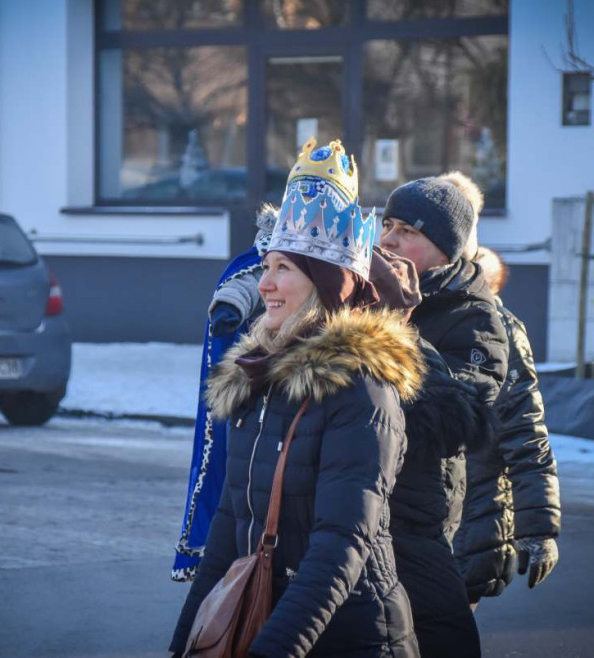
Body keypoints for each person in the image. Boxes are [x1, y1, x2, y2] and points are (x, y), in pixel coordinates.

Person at [170, 138, 422, 657]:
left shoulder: (362, 388)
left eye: (283, 268)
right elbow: (226, 534)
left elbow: (339, 548)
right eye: (267, 267)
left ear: (325, 285)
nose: (264, 284)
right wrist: (182, 645)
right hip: (265, 619)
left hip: (349, 638)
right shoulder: (256, 378)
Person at [380, 172, 509, 657]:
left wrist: (395, 326)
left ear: (446, 249)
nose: (389, 239)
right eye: (387, 224)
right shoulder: (362, 297)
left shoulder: (476, 316)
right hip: (351, 507)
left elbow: (457, 419)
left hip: (416, 516)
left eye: (408, 231)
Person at [172, 205, 276, 582]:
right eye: (270, 267)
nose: (271, 280)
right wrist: (230, 306)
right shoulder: (258, 262)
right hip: (258, 391)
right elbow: (247, 282)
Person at [458, 246, 561, 606]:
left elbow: (525, 430)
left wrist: (537, 527)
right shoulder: (412, 314)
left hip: (472, 524)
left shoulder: (502, 331)